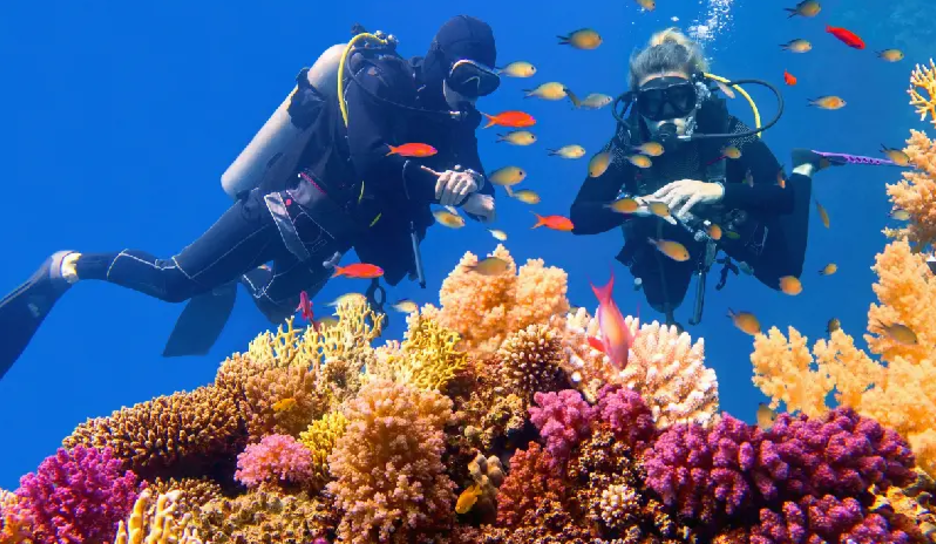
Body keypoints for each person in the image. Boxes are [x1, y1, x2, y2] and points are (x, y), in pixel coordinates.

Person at [0, 15, 501, 378]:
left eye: (486, 84)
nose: (472, 93)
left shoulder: (455, 121)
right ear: (437, 62)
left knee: (278, 310)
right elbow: (370, 156)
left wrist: (474, 187)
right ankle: (65, 266)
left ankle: (244, 274)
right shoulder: (379, 78)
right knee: (174, 282)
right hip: (282, 210)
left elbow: (482, 182)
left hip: (332, 242)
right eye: (465, 77)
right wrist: (439, 184)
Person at [570, 28, 835, 329]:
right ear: (638, 107)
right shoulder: (626, 144)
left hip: (726, 217)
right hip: (666, 231)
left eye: (679, 99)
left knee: (785, 272)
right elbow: (579, 217)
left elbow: (783, 196)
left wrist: (720, 192)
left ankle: (804, 167)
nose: (667, 116)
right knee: (661, 300)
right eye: (653, 104)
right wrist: (638, 205)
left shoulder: (727, 129)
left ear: (697, 97)